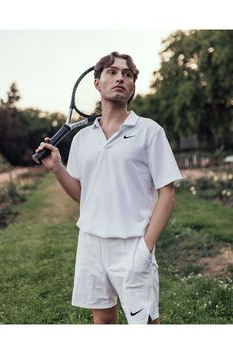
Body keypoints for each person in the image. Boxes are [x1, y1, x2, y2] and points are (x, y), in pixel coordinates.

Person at [35, 51, 182, 324]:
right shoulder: (81, 139)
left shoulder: (149, 131)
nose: (120, 78)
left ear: (133, 86)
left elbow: (168, 193)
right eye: (112, 72)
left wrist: (145, 247)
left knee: (146, 326)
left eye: (127, 74)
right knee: (103, 322)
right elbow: (83, 195)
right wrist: (57, 168)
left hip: (133, 245)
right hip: (91, 243)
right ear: (97, 83)